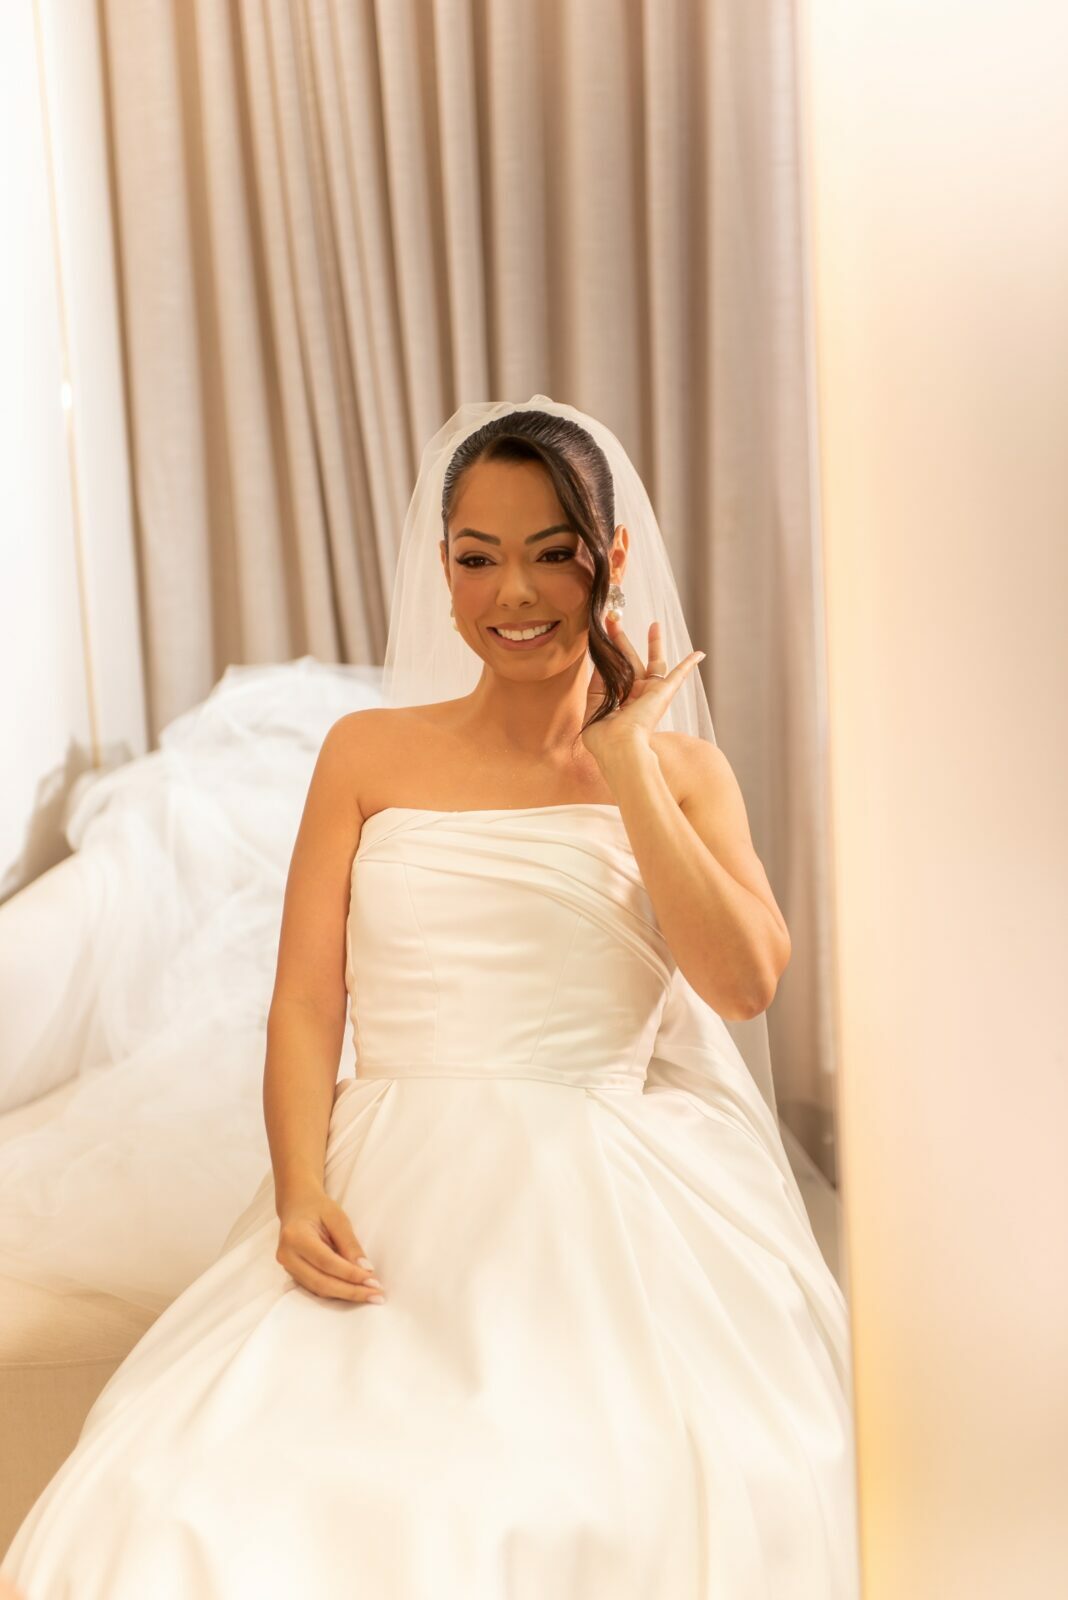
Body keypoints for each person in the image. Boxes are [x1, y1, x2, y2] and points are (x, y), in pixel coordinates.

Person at [1, 398, 860, 1597]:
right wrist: (300, 1190)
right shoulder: (365, 752)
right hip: (390, 1177)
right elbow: (308, 1003)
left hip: (601, 1195)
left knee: (588, 1483)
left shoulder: (682, 774)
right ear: (443, 568)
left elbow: (743, 981)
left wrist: (625, 765)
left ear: (611, 557)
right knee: (169, 1502)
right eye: (477, 558)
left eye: (553, 553)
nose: (515, 594)